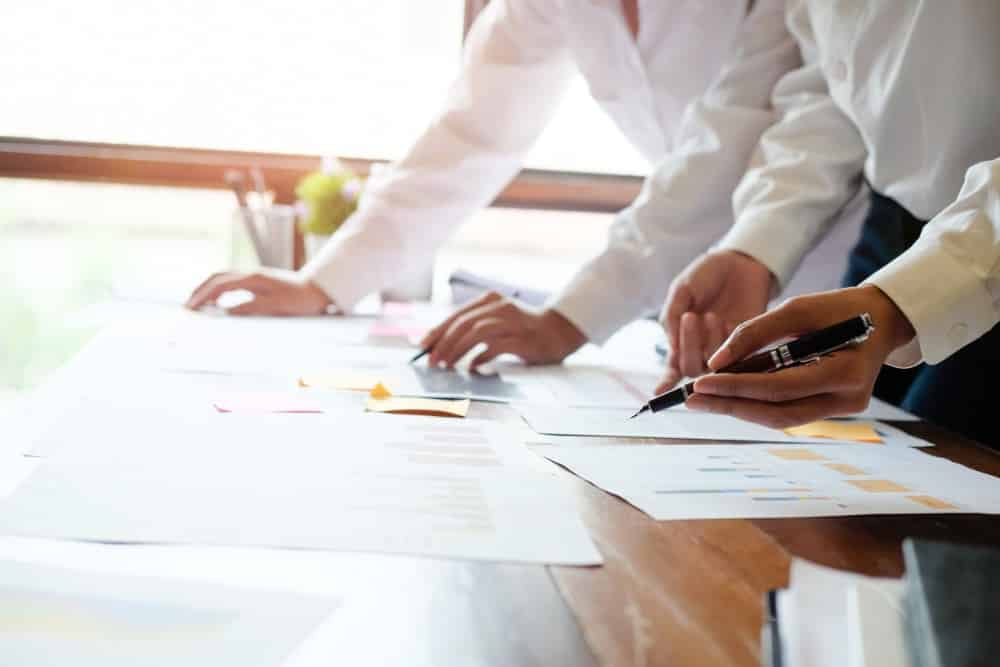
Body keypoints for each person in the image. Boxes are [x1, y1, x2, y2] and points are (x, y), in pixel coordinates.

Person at [187, 0, 863, 361]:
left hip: (834, 257)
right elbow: (472, 131)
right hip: (700, 282)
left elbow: (724, 146)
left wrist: (568, 319)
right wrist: (324, 281)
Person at [657, 2, 1000, 446]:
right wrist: (756, 245)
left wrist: (912, 298)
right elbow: (834, 85)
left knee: (943, 482)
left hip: (983, 251)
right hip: (893, 234)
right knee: (852, 461)